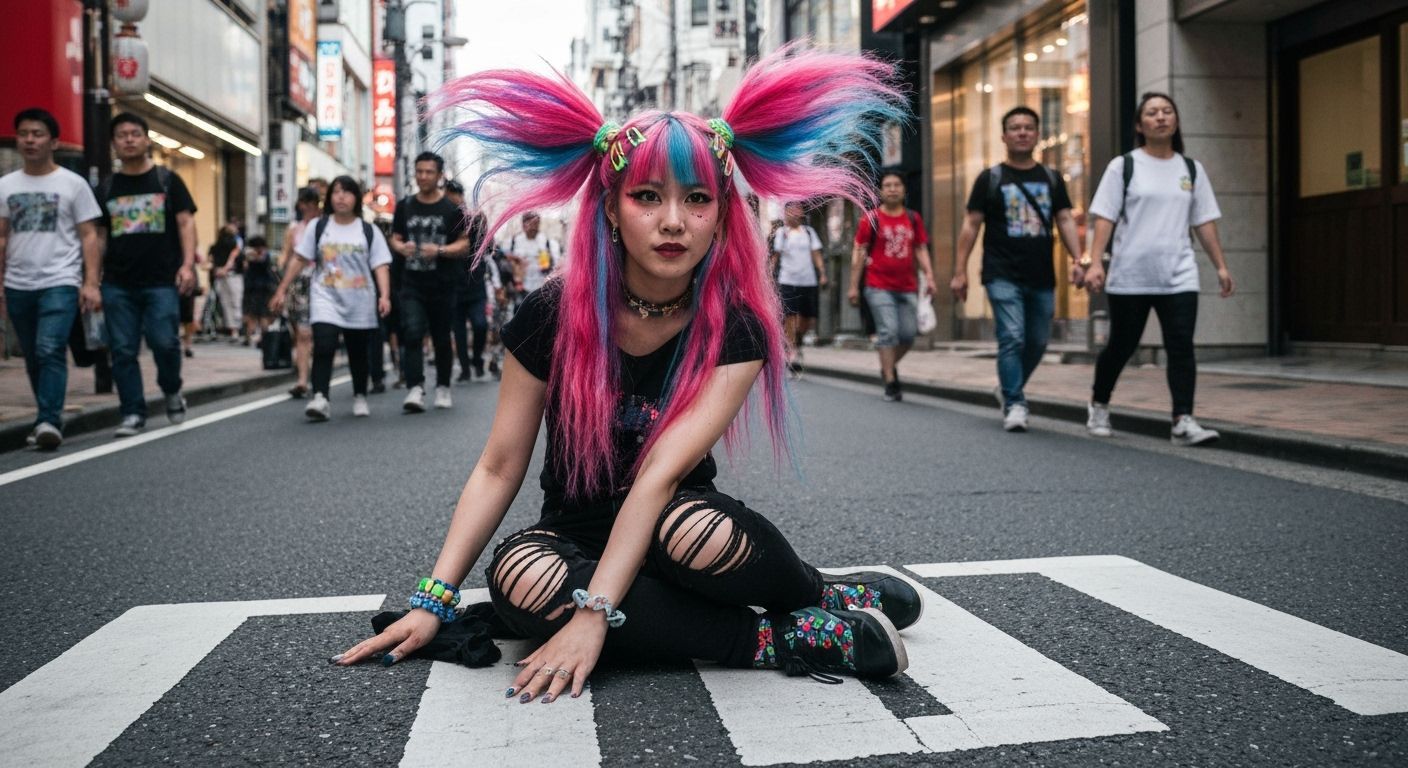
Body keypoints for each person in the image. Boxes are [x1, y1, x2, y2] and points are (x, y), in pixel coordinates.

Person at [332, 48, 922, 697]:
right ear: (610, 209)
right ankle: (779, 638)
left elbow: (659, 477)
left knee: (691, 531)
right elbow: (500, 466)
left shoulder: (739, 324)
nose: (674, 221)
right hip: (575, 534)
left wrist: (594, 615)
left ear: (723, 212)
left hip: (682, 524)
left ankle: (817, 592)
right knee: (519, 579)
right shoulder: (547, 314)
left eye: (697, 199)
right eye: (647, 197)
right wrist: (433, 600)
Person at [1082, 92, 1235, 446]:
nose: (1161, 117)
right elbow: (1104, 216)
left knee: (1180, 344)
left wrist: (1221, 267)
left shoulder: (1191, 169)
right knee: (1122, 344)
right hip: (1131, 274)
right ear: (1140, 125)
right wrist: (1094, 262)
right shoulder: (1124, 166)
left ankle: (1183, 419)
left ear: (1176, 121)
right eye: (1152, 113)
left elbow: (1205, 222)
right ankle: (1099, 404)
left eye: (1168, 111)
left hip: (1178, 273)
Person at [952, 106, 1085, 433]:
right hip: (1001, 272)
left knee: (1038, 341)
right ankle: (1015, 402)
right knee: (1012, 336)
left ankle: (1009, 388)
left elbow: (1065, 219)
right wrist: (960, 271)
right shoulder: (990, 178)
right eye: (1015, 127)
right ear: (1004, 136)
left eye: (1028, 127)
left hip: (1041, 273)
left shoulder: (1052, 178)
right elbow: (971, 226)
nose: (1022, 132)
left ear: (1038, 134)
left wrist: (1079, 260)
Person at [0, 108, 103, 450]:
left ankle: (48, 420)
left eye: (38, 133)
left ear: (54, 141)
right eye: (24, 133)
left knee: (49, 348)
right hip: (18, 282)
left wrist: (90, 283)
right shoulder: (5, 186)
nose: (30, 140)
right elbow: (1, 237)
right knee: (32, 354)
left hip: (61, 279)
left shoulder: (73, 184)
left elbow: (89, 235)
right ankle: (46, 414)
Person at [96, 112, 198, 437]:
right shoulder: (107, 187)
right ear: (113, 143)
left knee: (165, 342)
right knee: (123, 350)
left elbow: (186, 223)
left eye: (135, 133)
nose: (129, 139)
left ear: (146, 139)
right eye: (122, 135)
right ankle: (132, 412)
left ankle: (171, 389)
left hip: (161, 281)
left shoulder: (167, 180)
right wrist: (91, 279)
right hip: (117, 282)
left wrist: (186, 265)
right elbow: (97, 236)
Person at [270, 176, 391, 420]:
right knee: (324, 345)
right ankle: (321, 397)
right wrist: (282, 288)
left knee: (357, 352)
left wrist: (385, 296)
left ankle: (360, 394)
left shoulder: (368, 230)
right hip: (325, 296)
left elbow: (380, 265)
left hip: (359, 300)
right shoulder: (319, 227)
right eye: (336, 192)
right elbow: (300, 258)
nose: (341, 197)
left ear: (356, 198)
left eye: (347, 192)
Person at [390, 151, 471, 412]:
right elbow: (396, 237)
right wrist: (400, 248)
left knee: (440, 337)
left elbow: (464, 244)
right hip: (411, 282)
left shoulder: (451, 209)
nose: (423, 176)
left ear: (439, 176)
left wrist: (439, 250)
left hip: (443, 283)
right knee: (412, 331)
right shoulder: (404, 206)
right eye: (419, 171)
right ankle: (415, 387)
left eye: (428, 172)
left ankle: (443, 387)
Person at [848, 171, 935, 401]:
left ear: (904, 190)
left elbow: (920, 248)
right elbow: (859, 252)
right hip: (878, 286)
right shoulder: (871, 219)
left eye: (897, 184)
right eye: (887, 185)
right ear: (880, 191)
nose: (893, 188)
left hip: (907, 286)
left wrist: (930, 275)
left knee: (907, 335)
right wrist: (853, 286)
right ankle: (890, 380)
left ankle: (887, 365)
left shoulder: (913, 218)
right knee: (889, 332)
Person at [769, 202, 826, 377]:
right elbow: (775, 257)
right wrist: (768, 277)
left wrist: (822, 273)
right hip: (788, 280)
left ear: (802, 212)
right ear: (785, 213)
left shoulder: (809, 233)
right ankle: (792, 352)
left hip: (808, 281)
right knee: (790, 317)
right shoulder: (781, 233)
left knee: (808, 319)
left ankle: (795, 343)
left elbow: (816, 254)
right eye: (790, 210)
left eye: (797, 209)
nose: (794, 213)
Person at [279, 187, 321, 398]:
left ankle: (318, 377)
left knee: (319, 334)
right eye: (304, 203)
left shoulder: (324, 226)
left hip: (323, 281)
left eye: (311, 203)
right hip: (299, 282)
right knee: (302, 333)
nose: (307, 207)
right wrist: (281, 283)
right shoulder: (294, 228)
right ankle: (303, 380)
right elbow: (286, 255)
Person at [451, 210, 492, 380]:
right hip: (455, 288)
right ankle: (465, 368)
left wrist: (484, 226)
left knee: (480, 325)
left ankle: (477, 358)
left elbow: (489, 249)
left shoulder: (479, 225)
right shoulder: (451, 223)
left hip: (476, 288)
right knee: (459, 331)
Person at [503, 210, 560, 308]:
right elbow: (503, 261)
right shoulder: (513, 242)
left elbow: (554, 267)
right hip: (520, 288)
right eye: (531, 224)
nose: (534, 228)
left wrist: (549, 262)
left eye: (536, 224)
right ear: (523, 225)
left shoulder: (546, 242)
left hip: (541, 289)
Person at [209, 223, 244, 342]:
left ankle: (232, 328)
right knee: (236, 300)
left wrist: (218, 269)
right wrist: (226, 268)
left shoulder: (214, 246)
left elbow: (210, 260)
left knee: (226, 302)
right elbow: (235, 258)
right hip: (233, 275)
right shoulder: (235, 245)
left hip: (220, 275)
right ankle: (237, 329)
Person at [240, 235, 276, 345]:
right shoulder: (266, 255)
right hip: (262, 287)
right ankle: (262, 337)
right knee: (260, 314)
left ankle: (250, 337)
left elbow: (246, 265)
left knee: (253, 313)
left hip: (254, 287)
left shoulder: (253, 256)